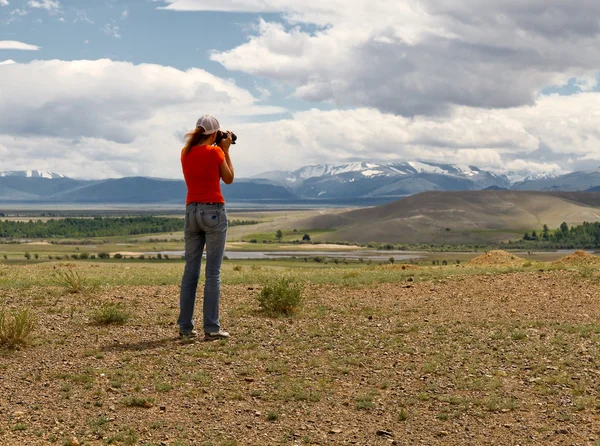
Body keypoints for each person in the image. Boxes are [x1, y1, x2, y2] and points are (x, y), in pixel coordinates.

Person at [177, 114, 234, 341]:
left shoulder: (185, 152)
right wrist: (226, 149)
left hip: (191, 211)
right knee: (213, 273)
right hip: (214, 211)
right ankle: (211, 327)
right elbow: (228, 179)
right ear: (214, 133)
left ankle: (185, 327)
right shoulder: (216, 152)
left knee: (191, 271)